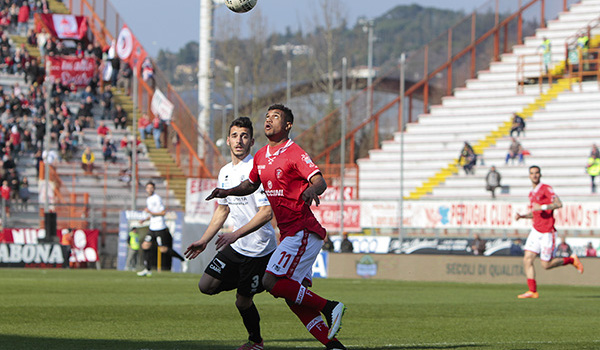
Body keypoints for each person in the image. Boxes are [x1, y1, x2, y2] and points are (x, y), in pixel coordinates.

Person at [206, 104, 347, 349]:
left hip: (303, 230)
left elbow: (319, 180)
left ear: (288, 125)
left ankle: (330, 306)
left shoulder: (294, 152)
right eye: (267, 117)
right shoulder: (261, 155)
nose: (269, 120)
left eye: (276, 117)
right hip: (290, 233)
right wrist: (226, 191)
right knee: (293, 298)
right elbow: (250, 185)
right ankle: (334, 346)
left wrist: (312, 190)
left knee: (271, 281)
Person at [185, 117, 277, 350]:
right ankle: (263, 282)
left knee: (242, 301)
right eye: (235, 136)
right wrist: (204, 241)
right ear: (228, 140)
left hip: (258, 248)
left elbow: (266, 213)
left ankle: (256, 341)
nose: (239, 140)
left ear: (252, 141)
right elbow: (223, 209)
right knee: (206, 286)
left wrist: (235, 235)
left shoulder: (256, 171)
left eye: (244, 136)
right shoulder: (225, 172)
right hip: (237, 246)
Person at [515, 165, 583, 299]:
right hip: (536, 230)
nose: (534, 175)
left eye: (536, 173)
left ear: (540, 175)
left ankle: (571, 260)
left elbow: (558, 204)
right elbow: (535, 213)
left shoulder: (546, 188)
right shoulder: (531, 193)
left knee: (546, 265)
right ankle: (532, 291)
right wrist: (523, 216)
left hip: (547, 232)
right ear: (529, 176)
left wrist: (543, 206)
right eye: (532, 173)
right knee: (527, 260)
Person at [137, 181, 186, 277]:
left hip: (160, 227)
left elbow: (163, 213)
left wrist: (150, 212)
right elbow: (153, 213)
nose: (149, 189)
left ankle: (182, 260)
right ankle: (147, 269)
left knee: (163, 249)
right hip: (152, 227)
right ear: (146, 189)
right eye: (148, 188)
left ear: (154, 189)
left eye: (151, 188)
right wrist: (144, 219)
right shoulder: (149, 199)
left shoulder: (157, 198)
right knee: (145, 245)